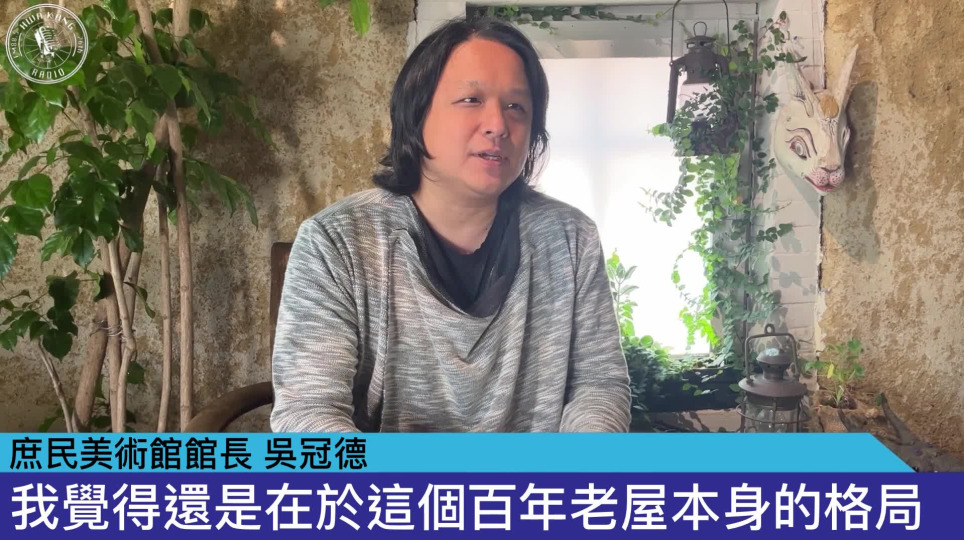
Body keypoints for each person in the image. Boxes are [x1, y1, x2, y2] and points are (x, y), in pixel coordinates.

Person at [270, 17, 630, 432]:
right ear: (416, 114)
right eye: (471, 99)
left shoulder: (570, 238)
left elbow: (598, 385)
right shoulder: (335, 243)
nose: (498, 125)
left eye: (516, 106)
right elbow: (308, 411)